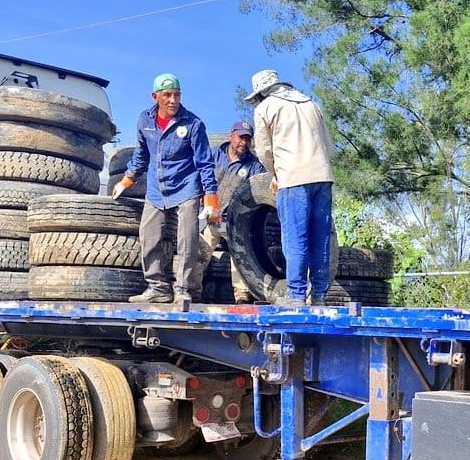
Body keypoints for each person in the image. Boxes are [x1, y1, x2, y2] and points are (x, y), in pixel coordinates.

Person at [113, 73, 220, 305]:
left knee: (187, 240)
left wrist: (211, 196)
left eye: (177, 95)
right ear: (155, 97)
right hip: (156, 189)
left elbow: (204, 163)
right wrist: (127, 179)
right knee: (149, 237)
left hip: (187, 187)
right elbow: (141, 156)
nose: (173, 100)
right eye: (167, 95)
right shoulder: (145, 120)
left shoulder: (193, 124)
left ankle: (183, 289)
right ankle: (158, 287)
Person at [246, 69, 335, 307]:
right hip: (323, 176)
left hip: (292, 178)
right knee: (321, 237)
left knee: (295, 238)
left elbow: (264, 150)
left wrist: (276, 172)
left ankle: (296, 295)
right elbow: (329, 146)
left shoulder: (265, 108)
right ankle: (319, 296)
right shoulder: (311, 104)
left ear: (261, 93)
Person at [195, 120, 264, 304]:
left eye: (248, 139)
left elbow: (260, 190)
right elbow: (199, 177)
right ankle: (193, 292)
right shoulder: (214, 155)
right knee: (198, 254)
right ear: (231, 136)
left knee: (240, 257)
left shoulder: (254, 165)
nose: (244, 142)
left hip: (235, 221)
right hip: (208, 217)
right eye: (241, 137)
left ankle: (241, 296)